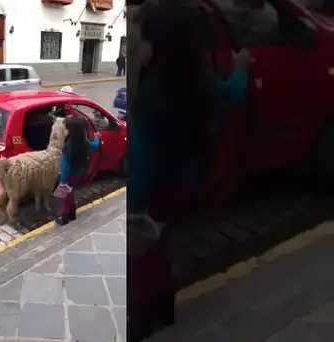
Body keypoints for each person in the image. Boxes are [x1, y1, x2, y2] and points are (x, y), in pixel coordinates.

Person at [127, 1, 253, 340]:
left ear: (160, 47)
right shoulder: (201, 82)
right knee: (161, 245)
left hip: (152, 195)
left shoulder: (150, 99)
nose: (136, 49)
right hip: (184, 185)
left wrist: (132, 210)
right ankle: (166, 311)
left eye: (142, 41)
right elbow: (236, 93)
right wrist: (240, 66)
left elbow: (142, 166)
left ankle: (142, 320)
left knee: (141, 259)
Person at [56, 116, 100, 225]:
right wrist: (97, 137)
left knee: (66, 196)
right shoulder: (84, 142)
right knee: (70, 192)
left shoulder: (67, 146)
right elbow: (94, 145)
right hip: (79, 174)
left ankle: (65, 216)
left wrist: (62, 182)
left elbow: (65, 167)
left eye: (66, 128)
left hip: (68, 176)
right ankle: (72, 213)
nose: (64, 130)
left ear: (71, 130)